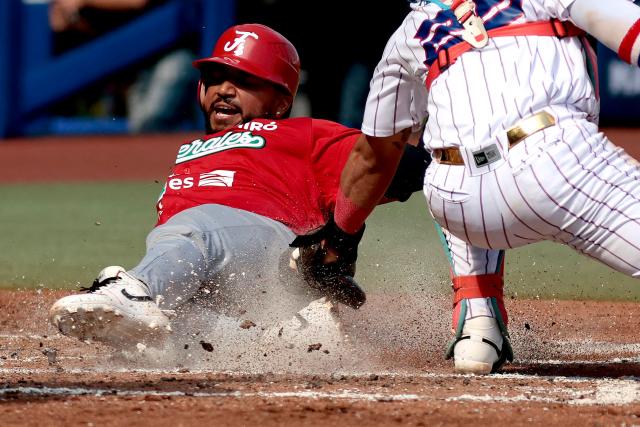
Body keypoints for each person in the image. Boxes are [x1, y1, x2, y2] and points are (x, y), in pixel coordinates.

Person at [48, 23, 428, 350]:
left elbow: (384, 160)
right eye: (215, 79)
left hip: (273, 253)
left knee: (193, 229)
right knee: (162, 341)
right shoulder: (190, 149)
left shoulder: (301, 133)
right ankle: (292, 335)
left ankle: (132, 289)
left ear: (281, 102)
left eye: (245, 81)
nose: (225, 89)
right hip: (219, 276)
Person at [309, 0, 640, 374]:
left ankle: (477, 326)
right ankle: (478, 319)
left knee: (449, 160)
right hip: (555, 165)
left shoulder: (410, 31)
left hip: (457, 200)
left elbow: (374, 157)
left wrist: (339, 237)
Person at [49, 0, 199, 132]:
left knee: (152, 121)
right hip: (133, 64)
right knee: (139, 127)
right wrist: (71, 17)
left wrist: (82, 1)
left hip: (174, 53)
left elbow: (138, 1)